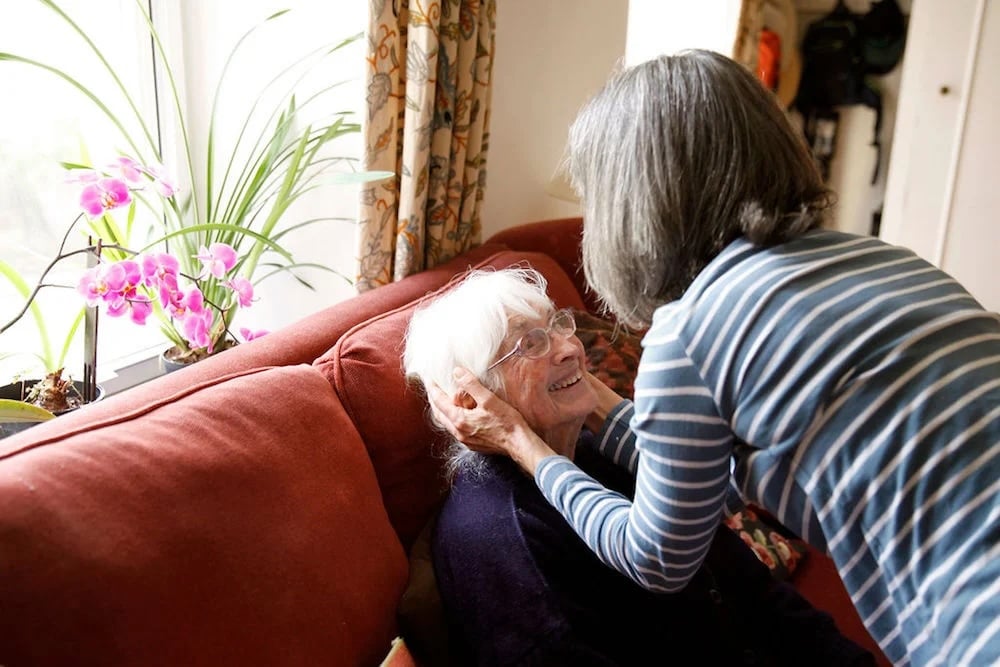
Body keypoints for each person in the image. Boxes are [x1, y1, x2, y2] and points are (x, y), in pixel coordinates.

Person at [427, 50, 1000, 666]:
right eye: (532, 341)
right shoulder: (883, 260)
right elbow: (717, 487)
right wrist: (575, 403)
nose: (571, 345)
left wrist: (527, 442)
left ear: (636, 201)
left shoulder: (694, 331)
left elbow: (659, 557)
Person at [404, 267, 876, 666]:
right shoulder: (503, 540)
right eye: (530, 344)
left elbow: (745, 582)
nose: (570, 348)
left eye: (559, 325)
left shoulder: (594, 450)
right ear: (472, 399)